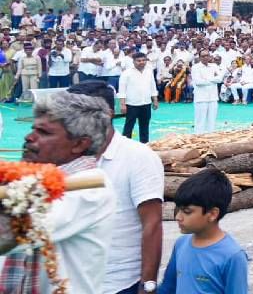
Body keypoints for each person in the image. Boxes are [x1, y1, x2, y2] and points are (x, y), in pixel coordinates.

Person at [0, 92, 116, 294]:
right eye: (32, 129)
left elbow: (10, 235)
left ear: (80, 144)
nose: (29, 137)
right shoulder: (29, 178)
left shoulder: (91, 188)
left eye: (44, 133)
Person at [69, 80, 165, 294]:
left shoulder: (138, 157)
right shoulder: (69, 158)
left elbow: (152, 224)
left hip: (120, 284)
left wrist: (147, 285)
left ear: (108, 114)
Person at [159, 169, 249, 294]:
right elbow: (168, 288)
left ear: (212, 214)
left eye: (187, 211)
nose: (178, 217)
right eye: (177, 209)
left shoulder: (232, 256)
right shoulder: (181, 244)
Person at [119, 51, 160, 143]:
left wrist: (155, 100)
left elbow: (153, 87)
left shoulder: (149, 72)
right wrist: (122, 104)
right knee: (129, 126)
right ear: (133, 61)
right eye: (139, 61)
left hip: (146, 103)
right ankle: (125, 145)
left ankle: (145, 145)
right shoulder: (126, 73)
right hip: (132, 104)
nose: (142, 62)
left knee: (145, 126)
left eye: (143, 60)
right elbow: (122, 91)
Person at [191, 50, 221, 134]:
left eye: (207, 55)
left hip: (213, 97)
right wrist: (212, 80)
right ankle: (198, 137)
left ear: (210, 56)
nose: (205, 57)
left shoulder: (214, 66)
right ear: (200, 57)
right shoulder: (195, 67)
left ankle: (210, 137)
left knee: (212, 120)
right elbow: (198, 82)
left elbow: (219, 79)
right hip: (201, 98)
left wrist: (206, 79)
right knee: (200, 121)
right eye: (203, 56)